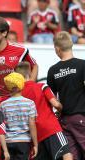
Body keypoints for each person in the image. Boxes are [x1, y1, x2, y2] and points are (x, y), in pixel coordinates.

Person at [16, 61, 73, 160]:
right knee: (66, 153)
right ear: (29, 73)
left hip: (34, 134)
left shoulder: (18, 94)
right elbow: (55, 104)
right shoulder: (41, 86)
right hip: (51, 128)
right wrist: (60, 110)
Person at [0, 16, 38, 96]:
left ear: (4, 33)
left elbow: (35, 66)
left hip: (15, 101)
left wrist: (30, 85)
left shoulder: (21, 50)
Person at [47, 31, 85, 160]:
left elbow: (50, 96)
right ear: (71, 45)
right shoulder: (82, 65)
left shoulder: (53, 70)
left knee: (71, 155)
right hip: (81, 116)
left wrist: (57, 110)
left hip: (64, 119)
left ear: (57, 49)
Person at [0, 72, 38, 159]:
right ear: (21, 85)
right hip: (24, 142)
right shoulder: (30, 103)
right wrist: (35, 144)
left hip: (8, 142)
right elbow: (32, 125)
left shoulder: (3, 105)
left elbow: (2, 126)